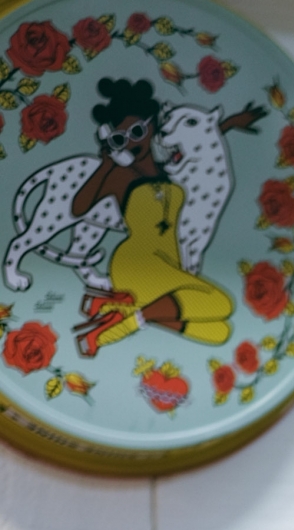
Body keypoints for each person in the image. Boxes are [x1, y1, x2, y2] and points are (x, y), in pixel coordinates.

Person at [71, 77, 265, 357]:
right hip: (137, 265)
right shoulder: (119, 174)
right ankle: (106, 333)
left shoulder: (170, 168)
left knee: (219, 332)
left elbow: (200, 137)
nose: (132, 143)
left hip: (169, 265)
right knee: (222, 304)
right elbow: (78, 208)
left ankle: (116, 308)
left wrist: (230, 123)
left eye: (138, 131)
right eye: (120, 139)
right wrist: (105, 164)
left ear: (152, 126)